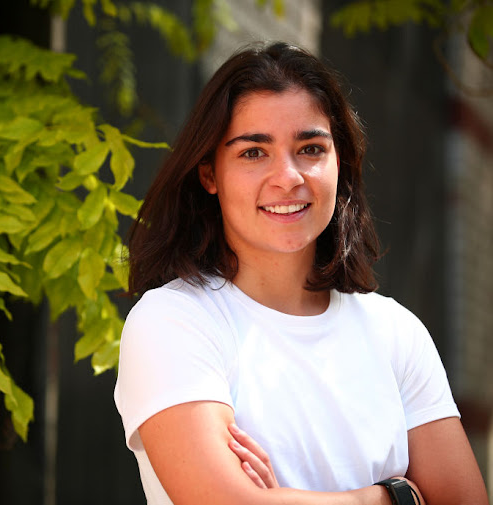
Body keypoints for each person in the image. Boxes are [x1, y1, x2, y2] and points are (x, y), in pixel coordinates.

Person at [113, 42, 488, 505]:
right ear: (210, 174)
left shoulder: (395, 332)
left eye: (310, 148)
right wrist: (388, 498)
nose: (288, 176)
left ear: (340, 162)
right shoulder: (174, 321)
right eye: (254, 153)